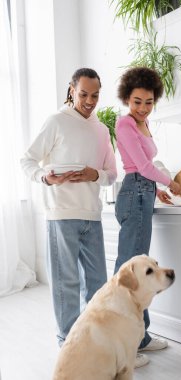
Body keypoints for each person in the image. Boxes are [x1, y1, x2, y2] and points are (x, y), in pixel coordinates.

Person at [21, 68, 117, 346]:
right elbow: (27, 160)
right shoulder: (56, 122)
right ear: (71, 90)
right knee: (67, 284)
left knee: (98, 284)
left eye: (95, 95)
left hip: (92, 216)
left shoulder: (101, 130)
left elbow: (111, 174)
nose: (89, 100)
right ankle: (69, 343)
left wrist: (94, 175)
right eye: (84, 94)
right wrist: (44, 176)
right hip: (61, 214)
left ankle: (96, 341)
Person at [113, 66, 181, 368]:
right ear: (127, 98)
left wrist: (157, 191)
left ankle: (140, 337)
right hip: (133, 194)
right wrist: (170, 181)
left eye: (149, 101)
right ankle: (123, 346)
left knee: (140, 271)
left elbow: (142, 169)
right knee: (128, 274)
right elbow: (139, 166)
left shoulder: (143, 123)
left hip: (143, 193)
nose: (143, 108)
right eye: (137, 101)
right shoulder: (125, 124)